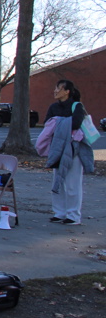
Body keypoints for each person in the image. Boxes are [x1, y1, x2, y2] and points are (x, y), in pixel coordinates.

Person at [43, 80, 93, 225]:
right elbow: (47, 124)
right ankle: (59, 213)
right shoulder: (53, 107)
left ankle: (73, 215)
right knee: (57, 181)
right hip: (57, 148)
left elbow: (76, 124)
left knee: (72, 183)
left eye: (58, 88)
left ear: (67, 91)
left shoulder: (77, 106)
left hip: (73, 149)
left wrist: (58, 122)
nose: (55, 91)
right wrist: (63, 123)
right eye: (55, 88)